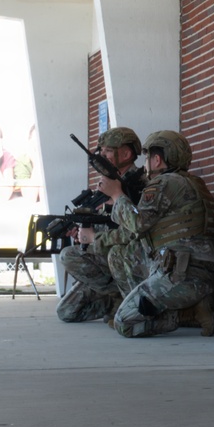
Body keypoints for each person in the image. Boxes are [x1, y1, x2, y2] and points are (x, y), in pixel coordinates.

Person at [99, 130, 214, 338]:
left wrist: (116, 194)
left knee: (124, 325)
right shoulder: (194, 183)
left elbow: (138, 223)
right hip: (200, 273)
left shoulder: (164, 183)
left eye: (147, 158)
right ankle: (185, 308)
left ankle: (184, 313)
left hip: (181, 276)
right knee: (122, 254)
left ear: (157, 160)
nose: (145, 163)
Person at [56, 127, 149, 325]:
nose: (101, 155)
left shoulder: (140, 184)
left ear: (125, 153)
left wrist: (95, 238)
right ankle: (115, 297)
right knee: (67, 312)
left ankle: (126, 298)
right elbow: (107, 225)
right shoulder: (107, 185)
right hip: (106, 260)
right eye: (101, 151)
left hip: (130, 261)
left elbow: (136, 228)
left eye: (107, 150)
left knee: (68, 255)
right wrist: (84, 235)